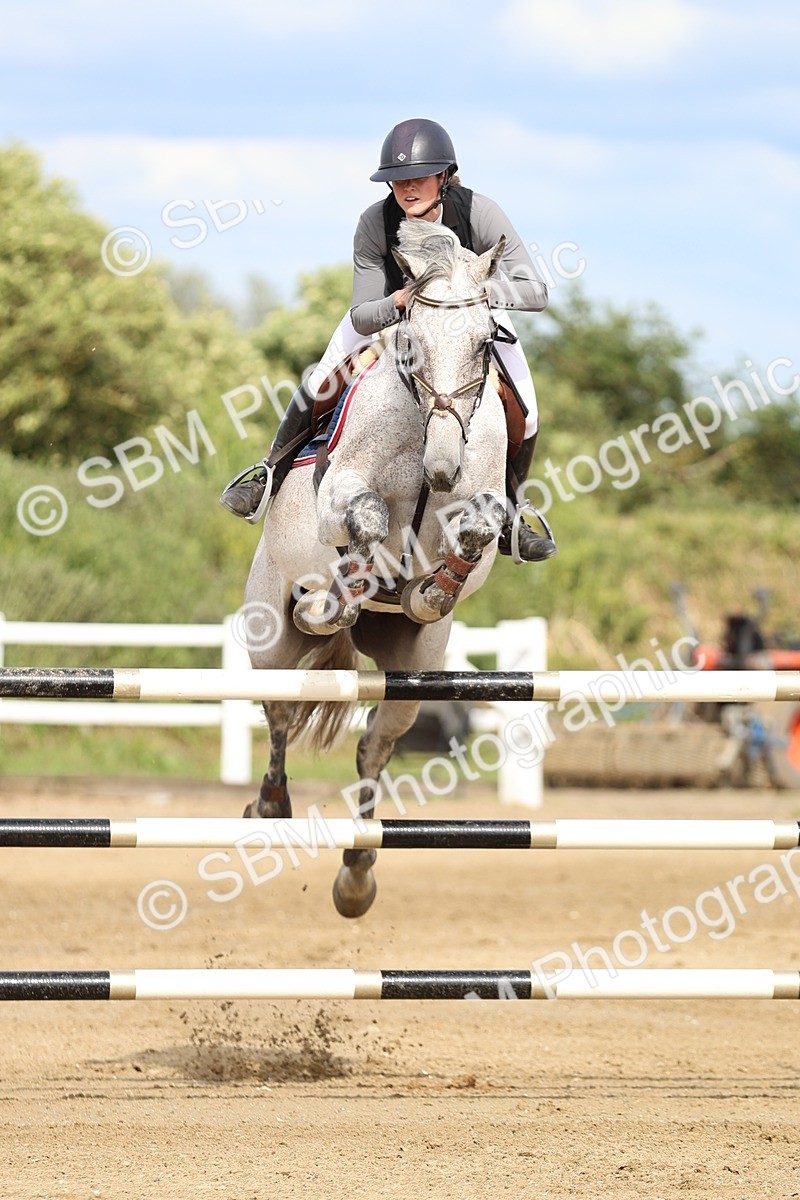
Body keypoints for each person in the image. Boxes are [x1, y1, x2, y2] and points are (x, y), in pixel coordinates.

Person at [220, 117, 556, 562]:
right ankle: (269, 473)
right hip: (392, 316)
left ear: (445, 176)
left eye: (418, 177)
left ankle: (511, 514)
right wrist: (398, 300)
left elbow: (536, 290)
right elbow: (361, 315)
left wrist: (476, 293)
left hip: (466, 320)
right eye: (397, 180)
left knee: (526, 408)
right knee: (321, 380)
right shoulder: (374, 222)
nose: (406, 188)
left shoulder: (481, 212)